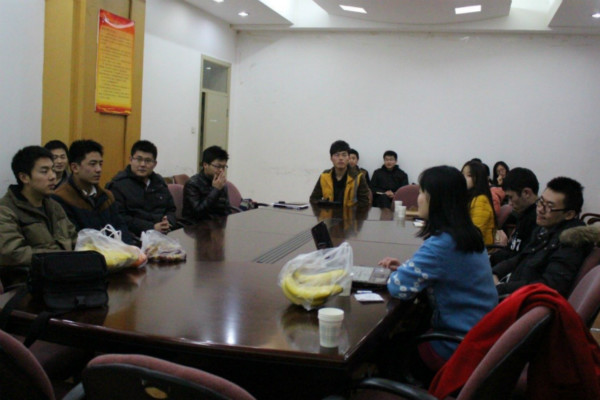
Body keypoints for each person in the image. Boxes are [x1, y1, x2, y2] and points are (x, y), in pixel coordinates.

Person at [379, 165, 497, 373]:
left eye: (422, 192)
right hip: (479, 337)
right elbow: (443, 269)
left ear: (438, 200)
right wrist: (409, 268)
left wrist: (401, 273)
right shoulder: (466, 233)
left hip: (454, 348)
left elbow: (398, 288)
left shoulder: (442, 244)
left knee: (384, 347)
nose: (418, 198)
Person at [493, 177, 594, 298]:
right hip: (510, 288)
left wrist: (500, 288)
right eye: (541, 202)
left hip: (525, 299)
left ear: (569, 214)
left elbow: (550, 285)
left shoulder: (572, 241)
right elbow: (521, 257)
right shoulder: (544, 228)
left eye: (549, 207)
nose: (540, 210)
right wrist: (495, 272)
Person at [0, 146, 77, 285]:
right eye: (44, 171)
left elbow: (74, 238)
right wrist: (61, 257)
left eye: (52, 169)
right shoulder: (5, 210)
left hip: (63, 277)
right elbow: (12, 254)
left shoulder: (54, 206)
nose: (53, 176)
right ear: (24, 177)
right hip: (27, 284)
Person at [53, 139, 134, 244]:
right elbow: (73, 238)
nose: (98, 169)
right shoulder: (60, 198)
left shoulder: (107, 196)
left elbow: (121, 228)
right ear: (75, 167)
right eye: (92, 164)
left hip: (114, 251)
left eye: (100, 164)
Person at [106, 140, 177, 236]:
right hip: (135, 237)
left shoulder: (159, 183)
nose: (143, 164)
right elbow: (120, 217)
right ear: (130, 160)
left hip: (163, 235)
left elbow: (171, 209)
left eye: (148, 161)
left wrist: (168, 222)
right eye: (139, 159)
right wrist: (152, 227)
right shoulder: (118, 185)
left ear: (155, 164)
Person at [490, 167, 539, 266]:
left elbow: (520, 259)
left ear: (526, 193)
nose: (510, 203)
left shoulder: (537, 220)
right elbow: (511, 250)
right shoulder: (524, 214)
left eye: (511, 197)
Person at [309, 140, 370, 208]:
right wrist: (324, 205)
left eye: (344, 155)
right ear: (331, 158)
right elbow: (313, 199)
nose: (340, 158)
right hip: (329, 213)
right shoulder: (324, 176)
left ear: (348, 158)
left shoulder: (358, 176)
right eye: (337, 155)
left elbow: (365, 203)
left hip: (350, 214)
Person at [183, 145, 231, 222]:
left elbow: (227, 210)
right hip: (197, 226)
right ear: (205, 165)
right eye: (218, 166)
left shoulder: (221, 183)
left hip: (218, 225)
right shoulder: (192, 184)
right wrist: (216, 190)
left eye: (224, 167)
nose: (221, 170)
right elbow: (198, 213)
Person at [462, 160, 495, 246]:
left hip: (480, 248)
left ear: (479, 178)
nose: (463, 178)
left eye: (469, 175)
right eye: (462, 174)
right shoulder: (468, 198)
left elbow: (475, 235)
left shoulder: (481, 200)